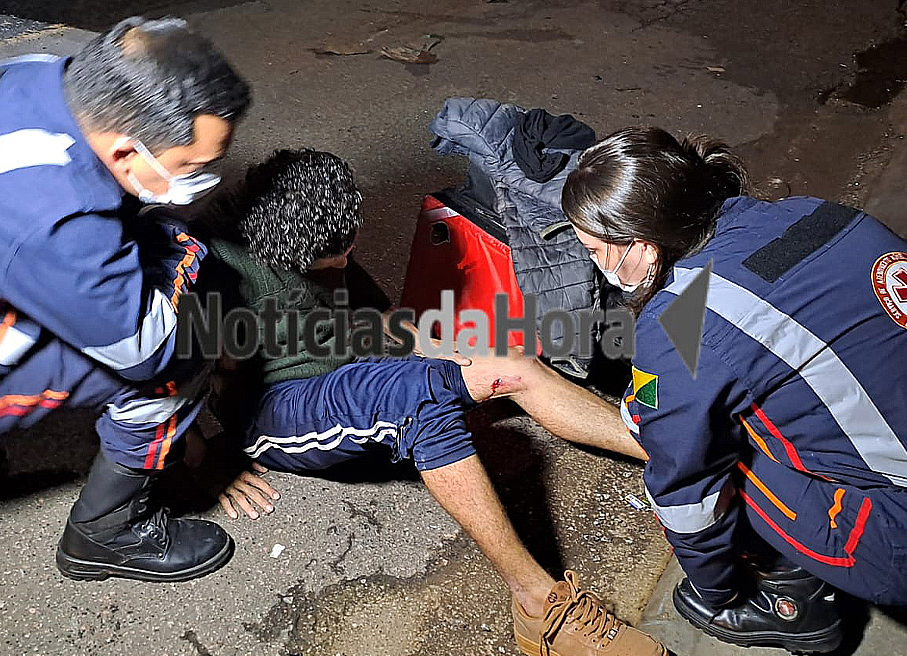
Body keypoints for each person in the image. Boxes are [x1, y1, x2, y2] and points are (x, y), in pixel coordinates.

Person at [176, 149, 668, 656]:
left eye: (349, 247)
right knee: (420, 401)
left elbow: (378, 316)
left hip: (354, 361)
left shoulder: (311, 218)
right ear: (286, 244)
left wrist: (449, 351)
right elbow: (155, 380)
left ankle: (675, 453)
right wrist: (204, 464)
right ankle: (536, 604)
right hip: (280, 405)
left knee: (512, 364)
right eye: (334, 256)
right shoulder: (212, 267)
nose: (346, 260)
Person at [504, 126, 907, 653]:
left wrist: (719, 592)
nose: (596, 266)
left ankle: (794, 605)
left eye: (595, 250)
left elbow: (684, 490)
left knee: (704, 447)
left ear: (641, 248)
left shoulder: (685, 324)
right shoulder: (816, 213)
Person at [0, 17, 251, 583]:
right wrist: (181, 249)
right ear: (127, 150)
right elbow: (143, 350)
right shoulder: (55, 215)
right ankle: (106, 533)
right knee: (183, 355)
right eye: (192, 166)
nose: (204, 179)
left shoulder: (34, 74)